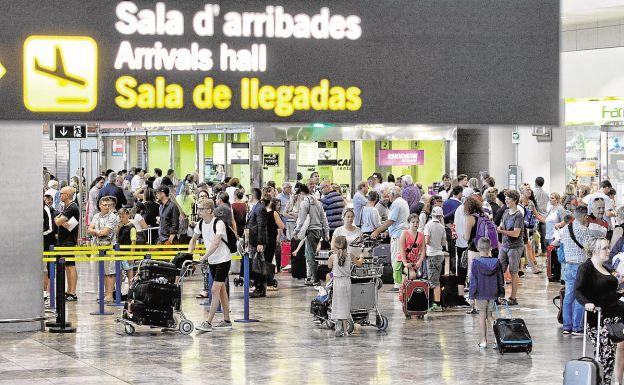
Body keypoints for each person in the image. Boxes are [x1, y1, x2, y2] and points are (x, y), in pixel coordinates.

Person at [575, 237, 624, 385]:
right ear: (594, 251)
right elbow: (578, 291)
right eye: (605, 248)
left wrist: (621, 292)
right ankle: (604, 382)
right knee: (606, 354)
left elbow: (610, 293)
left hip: (616, 316)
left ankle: (613, 381)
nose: (609, 250)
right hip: (598, 318)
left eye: (608, 247)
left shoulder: (607, 268)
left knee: (615, 350)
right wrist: (586, 303)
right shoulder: (586, 268)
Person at [191, 199, 233, 332]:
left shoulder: (218, 223)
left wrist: (203, 258)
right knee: (221, 291)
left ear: (209, 210)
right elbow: (193, 239)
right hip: (213, 261)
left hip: (223, 260)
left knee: (214, 290)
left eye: (201, 209)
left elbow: (215, 243)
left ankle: (208, 322)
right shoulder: (201, 223)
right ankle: (227, 321)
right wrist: (188, 254)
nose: (199, 212)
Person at [371, 186, 410, 291]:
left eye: (389, 195)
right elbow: (398, 221)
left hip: (398, 236)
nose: (388, 198)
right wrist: (387, 232)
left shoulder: (396, 204)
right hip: (401, 234)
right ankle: (402, 282)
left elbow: (391, 220)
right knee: (400, 259)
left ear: (393, 195)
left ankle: (397, 284)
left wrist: (377, 231)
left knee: (396, 260)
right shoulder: (403, 202)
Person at [560, 205, 591, 335]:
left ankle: (567, 326)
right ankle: (577, 327)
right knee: (580, 297)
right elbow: (588, 249)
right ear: (585, 216)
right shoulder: (584, 230)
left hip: (568, 266)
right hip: (580, 266)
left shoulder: (565, 229)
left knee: (568, 296)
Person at [470, 237, 504, 349]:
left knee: (482, 316)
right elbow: (500, 280)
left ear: (478, 248)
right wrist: (501, 294)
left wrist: (471, 296)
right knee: (490, 316)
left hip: (481, 293)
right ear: (490, 248)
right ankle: (497, 339)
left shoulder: (476, 263)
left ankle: (483, 341)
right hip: (493, 293)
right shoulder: (496, 262)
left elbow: (473, 281)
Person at [293, 185, 330, 286]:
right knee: (310, 254)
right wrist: (326, 232)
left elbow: (301, 220)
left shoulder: (305, 203)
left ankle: (316, 279)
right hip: (318, 231)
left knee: (310, 256)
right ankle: (313, 278)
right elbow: (324, 218)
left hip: (310, 231)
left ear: (301, 193)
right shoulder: (318, 202)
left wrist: (295, 231)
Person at [327, 235, 364, 337]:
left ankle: (338, 325)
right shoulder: (350, 255)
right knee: (345, 305)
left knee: (337, 303)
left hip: (337, 282)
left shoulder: (332, 257)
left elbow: (329, 266)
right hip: (346, 282)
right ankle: (345, 330)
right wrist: (361, 256)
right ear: (346, 246)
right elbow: (359, 264)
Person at [496, 190, 525, 306]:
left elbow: (516, 234)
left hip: (515, 247)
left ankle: (513, 297)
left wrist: (501, 231)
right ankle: (499, 295)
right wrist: (501, 227)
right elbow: (502, 224)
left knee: (513, 272)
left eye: (509, 199)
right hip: (505, 245)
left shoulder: (518, 215)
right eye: (506, 198)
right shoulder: (506, 212)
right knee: (499, 270)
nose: (506, 200)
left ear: (515, 201)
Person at [88, 197, 119, 303]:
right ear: (100, 205)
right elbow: (89, 229)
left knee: (109, 272)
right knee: (102, 271)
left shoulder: (113, 217)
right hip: (98, 247)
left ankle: (110, 295)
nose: (107, 207)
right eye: (105, 204)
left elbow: (105, 232)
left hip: (109, 247)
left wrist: (95, 231)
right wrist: (98, 232)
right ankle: (105, 294)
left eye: (109, 205)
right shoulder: (96, 216)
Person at [54, 186, 79, 301]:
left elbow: (58, 221)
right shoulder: (66, 207)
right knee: (66, 267)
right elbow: (66, 224)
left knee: (70, 266)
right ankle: (69, 290)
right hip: (63, 240)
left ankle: (72, 292)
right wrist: (64, 222)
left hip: (68, 241)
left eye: (62, 193)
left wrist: (60, 220)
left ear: (68, 195)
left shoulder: (72, 208)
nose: (60, 195)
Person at [424, 206, 447, 312]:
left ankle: (436, 304)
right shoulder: (442, 227)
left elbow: (427, 241)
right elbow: (443, 243)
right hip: (440, 254)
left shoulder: (428, 225)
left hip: (431, 254)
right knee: (436, 279)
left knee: (434, 281)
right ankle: (435, 302)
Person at [247, 188, 268, 296]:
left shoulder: (260, 208)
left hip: (256, 241)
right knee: (255, 264)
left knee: (258, 265)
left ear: (253, 196)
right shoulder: (255, 207)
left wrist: (260, 242)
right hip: (253, 240)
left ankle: (260, 288)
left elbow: (261, 226)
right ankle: (257, 286)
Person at [398, 214, 426, 287]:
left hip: (414, 261)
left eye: (417, 222)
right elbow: (401, 249)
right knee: (412, 275)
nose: (415, 224)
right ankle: (403, 288)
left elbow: (423, 250)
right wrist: (405, 263)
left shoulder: (421, 235)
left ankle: (404, 290)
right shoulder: (404, 233)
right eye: (413, 222)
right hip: (404, 260)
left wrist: (420, 261)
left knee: (412, 279)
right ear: (409, 223)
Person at [265, 197, 286, 285]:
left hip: (262, 239)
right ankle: (268, 281)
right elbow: (282, 226)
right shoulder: (274, 213)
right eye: (278, 205)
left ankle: (260, 279)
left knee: (263, 260)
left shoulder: (262, 211)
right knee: (269, 260)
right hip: (271, 239)